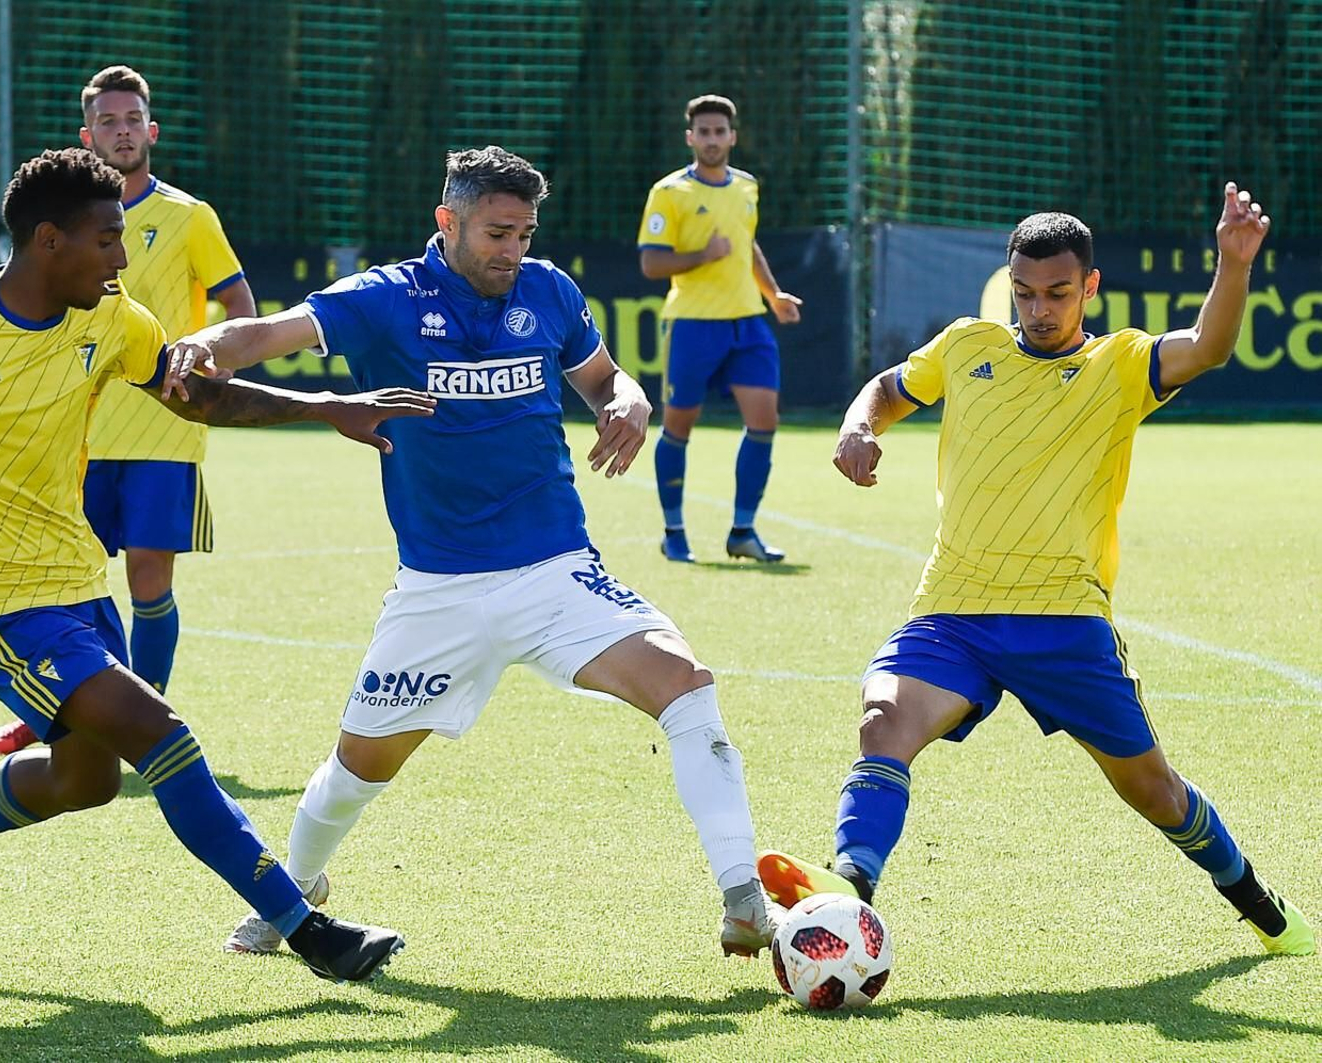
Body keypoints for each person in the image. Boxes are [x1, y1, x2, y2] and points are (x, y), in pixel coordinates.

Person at [0, 148, 433, 982]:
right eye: (108, 239)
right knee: (164, 737)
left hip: (81, 587)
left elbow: (198, 395)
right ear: (49, 241)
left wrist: (323, 406)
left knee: (85, 780)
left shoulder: (114, 318)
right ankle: (308, 930)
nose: (123, 259)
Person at [163, 145, 788, 960]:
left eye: (525, 233)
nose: (513, 251)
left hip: (556, 571)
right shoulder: (386, 297)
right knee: (354, 772)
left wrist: (628, 402)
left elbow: (605, 379)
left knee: (687, 685)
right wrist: (204, 345)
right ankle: (297, 891)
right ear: (447, 222)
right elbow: (270, 332)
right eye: (497, 233)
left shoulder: (549, 290)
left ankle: (744, 900)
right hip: (438, 592)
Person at [758, 186, 1313, 957]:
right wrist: (858, 426)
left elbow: (1208, 347)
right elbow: (889, 389)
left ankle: (1249, 893)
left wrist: (1233, 262)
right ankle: (850, 888)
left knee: (1154, 791)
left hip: (1065, 622)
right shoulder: (967, 345)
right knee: (883, 719)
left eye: (1057, 292)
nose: (1038, 308)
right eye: (1024, 291)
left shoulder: (1117, 362)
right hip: (953, 610)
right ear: (1007, 282)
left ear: (1088, 286)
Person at [0, 65, 256, 756]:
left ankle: (138, 724)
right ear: (86, 134)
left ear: (150, 130)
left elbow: (241, 308)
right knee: (56, 580)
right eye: (108, 121)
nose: (122, 131)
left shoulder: (190, 217)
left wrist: (211, 364)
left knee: (148, 579)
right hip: (73, 433)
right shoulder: (59, 226)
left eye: (132, 120)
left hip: (164, 430)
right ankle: (51, 716)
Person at [637, 94, 802, 564]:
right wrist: (701, 256)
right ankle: (674, 531)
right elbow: (651, 262)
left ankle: (743, 530)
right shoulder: (670, 193)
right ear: (691, 138)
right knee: (678, 426)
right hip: (691, 324)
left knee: (764, 421)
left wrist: (774, 297)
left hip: (747, 323)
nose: (712, 139)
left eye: (719, 131)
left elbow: (747, 247)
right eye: (703, 132)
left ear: (733, 137)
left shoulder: (746, 187)